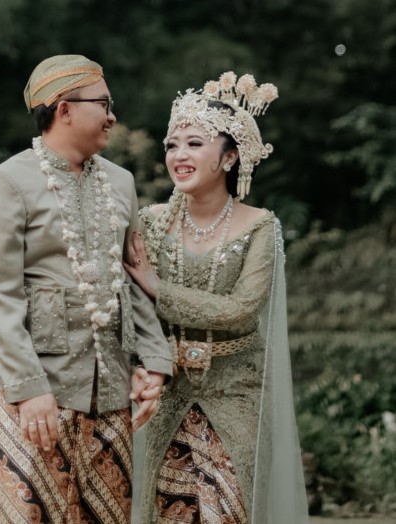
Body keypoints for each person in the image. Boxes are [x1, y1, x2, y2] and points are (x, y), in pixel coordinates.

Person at [0, 54, 173, 524]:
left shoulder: (120, 182)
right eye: (103, 103)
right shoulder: (8, 182)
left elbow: (131, 276)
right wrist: (29, 388)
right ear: (64, 109)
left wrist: (153, 361)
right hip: (33, 388)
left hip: (110, 388)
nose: (112, 115)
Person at [124, 72, 309, 523]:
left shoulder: (260, 226)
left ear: (229, 157)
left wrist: (158, 287)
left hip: (237, 392)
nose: (179, 155)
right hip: (167, 392)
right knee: (167, 508)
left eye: (194, 143)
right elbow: (130, 307)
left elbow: (241, 309)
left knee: (228, 508)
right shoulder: (150, 222)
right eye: (172, 145)